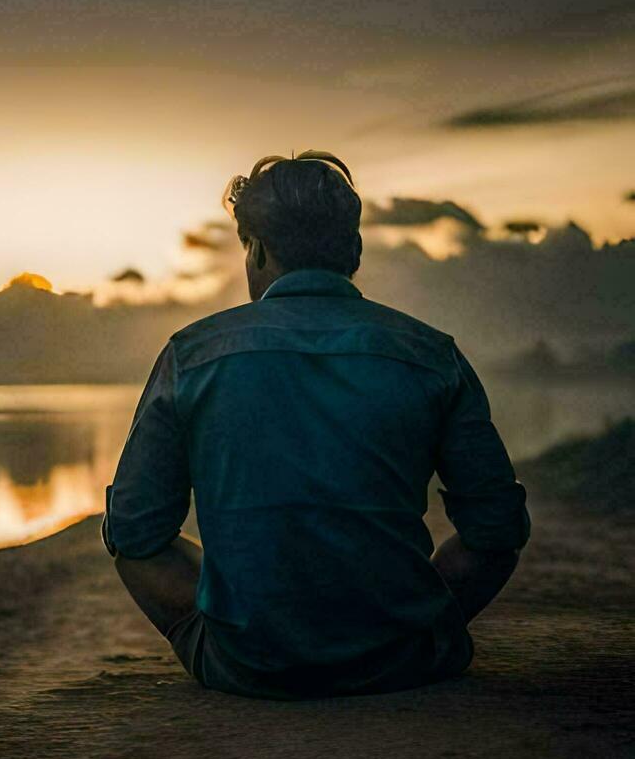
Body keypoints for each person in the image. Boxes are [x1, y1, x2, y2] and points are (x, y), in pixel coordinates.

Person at [104, 151, 530, 699]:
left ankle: (242, 640)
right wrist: (425, 626)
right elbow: (496, 532)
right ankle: (407, 630)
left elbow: (137, 533)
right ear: (352, 250)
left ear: (255, 249)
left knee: (133, 542)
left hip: (245, 666)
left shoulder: (193, 354)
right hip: (405, 659)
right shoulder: (430, 354)